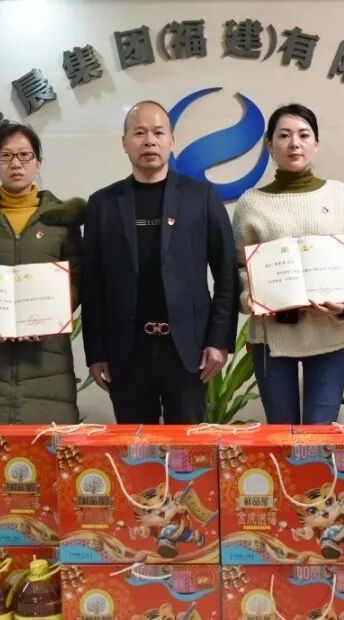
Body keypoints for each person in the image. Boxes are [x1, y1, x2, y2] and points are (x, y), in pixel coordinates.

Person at [81, 101, 237, 424]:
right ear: (125, 143)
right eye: (139, 133)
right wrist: (96, 352)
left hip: (188, 351)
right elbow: (91, 284)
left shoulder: (201, 197)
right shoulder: (102, 204)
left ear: (172, 140)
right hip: (127, 351)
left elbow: (226, 274)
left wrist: (218, 341)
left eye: (158, 132)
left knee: (186, 448)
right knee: (136, 447)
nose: (149, 141)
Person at [233, 103, 344, 425]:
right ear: (270, 145)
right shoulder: (251, 202)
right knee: (282, 434)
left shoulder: (338, 194)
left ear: (316, 143)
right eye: (284, 136)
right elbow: (238, 268)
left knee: (321, 433)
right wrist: (250, 298)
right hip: (272, 337)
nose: (294, 143)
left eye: (304, 135)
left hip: (330, 333)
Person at [0, 123, 84, 424]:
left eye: (25, 155)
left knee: (47, 449)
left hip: (47, 367)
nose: (16, 164)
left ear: (39, 162)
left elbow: (77, 281)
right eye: (6, 156)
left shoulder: (62, 221)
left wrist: (49, 315)